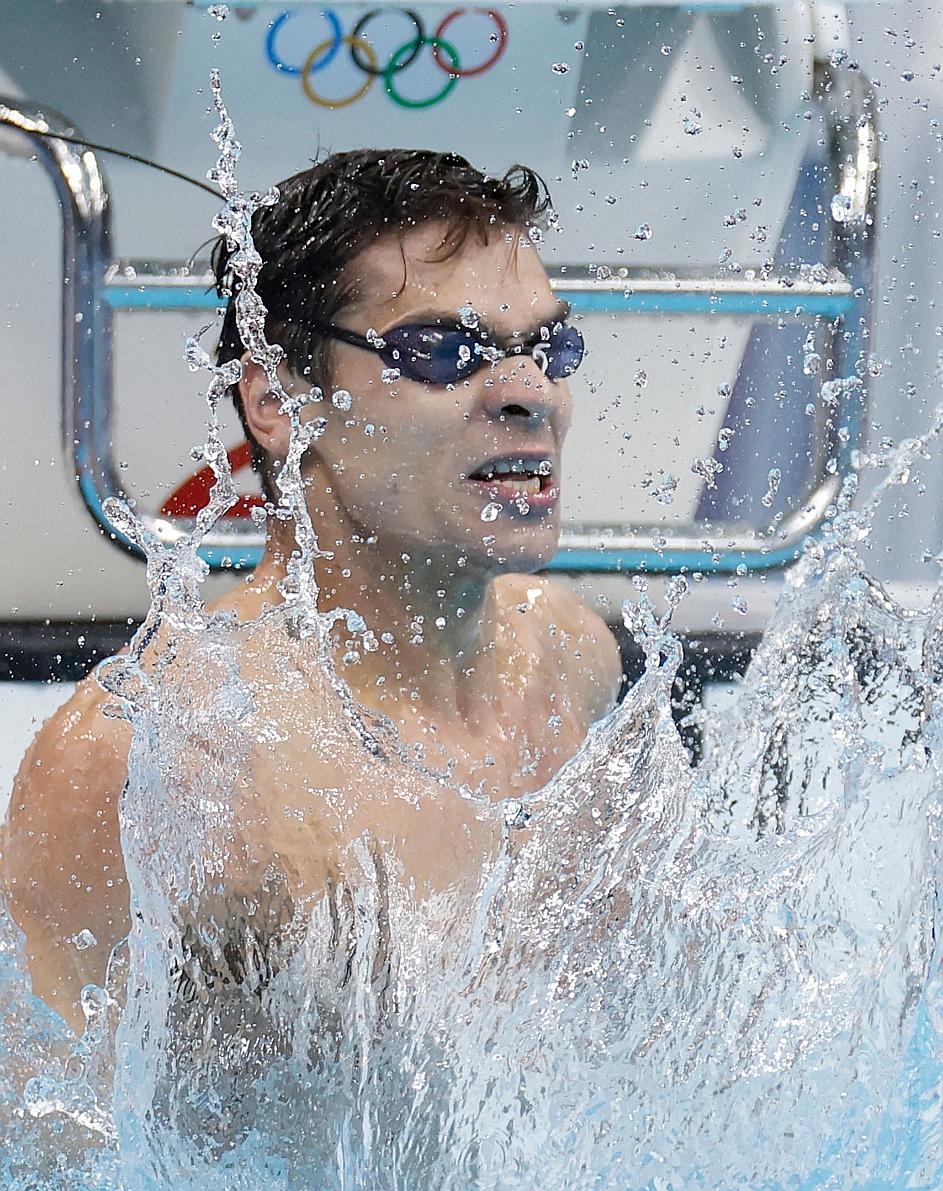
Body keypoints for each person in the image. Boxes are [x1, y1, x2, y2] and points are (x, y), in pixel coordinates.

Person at [1, 149, 623, 1035]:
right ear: (279, 404)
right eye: (445, 350)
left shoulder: (563, 654)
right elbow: (53, 1144)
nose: (532, 396)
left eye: (547, 347)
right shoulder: (159, 759)